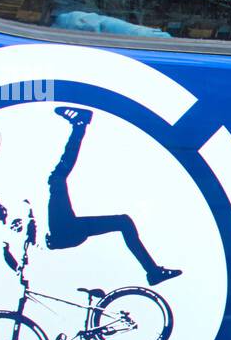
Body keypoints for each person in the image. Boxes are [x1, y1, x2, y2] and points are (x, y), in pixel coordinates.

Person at [40, 107, 180, 286]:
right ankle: (80, 125)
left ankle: (153, 272)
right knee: (57, 178)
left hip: (65, 232)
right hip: (62, 233)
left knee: (122, 221)